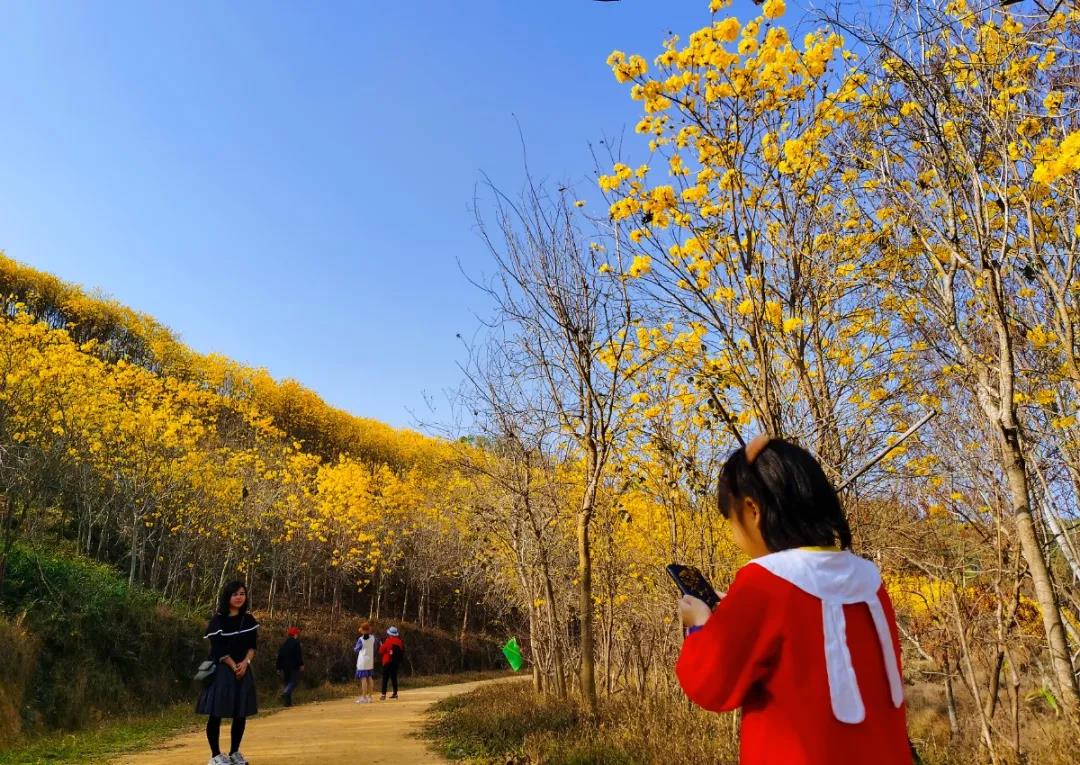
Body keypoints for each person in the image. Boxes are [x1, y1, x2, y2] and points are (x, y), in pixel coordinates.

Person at [675, 435, 910, 765]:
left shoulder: (763, 582)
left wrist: (700, 626)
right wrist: (733, 612)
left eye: (731, 520)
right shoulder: (868, 580)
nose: (733, 534)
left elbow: (712, 687)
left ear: (752, 510)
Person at [197, 581, 259, 765]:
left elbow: (252, 646)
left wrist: (245, 663)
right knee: (216, 713)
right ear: (227, 597)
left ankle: (234, 752)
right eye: (235, 594)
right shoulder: (218, 620)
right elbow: (218, 649)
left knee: (240, 713)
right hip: (222, 672)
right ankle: (216, 755)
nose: (239, 597)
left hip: (243, 669)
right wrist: (234, 666)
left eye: (242, 593)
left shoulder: (249, 620)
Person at [275, 626, 304, 707]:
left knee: (287, 682)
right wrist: (301, 664)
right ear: (295, 634)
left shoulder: (284, 644)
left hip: (284, 667)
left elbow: (279, 656)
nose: (297, 635)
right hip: (293, 666)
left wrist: (278, 667)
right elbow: (298, 655)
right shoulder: (296, 643)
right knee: (293, 681)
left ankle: (287, 703)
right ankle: (285, 693)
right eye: (297, 633)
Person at [353, 621, 377, 703]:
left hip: (362, 661)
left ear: (362, 630)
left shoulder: (360, 639)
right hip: (370, 660)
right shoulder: (373, 638)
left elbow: (356, 649)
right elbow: (375, 646)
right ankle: (370, 697)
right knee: (370, 678)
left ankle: (364, 697)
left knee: (363, 679)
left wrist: (355, 648)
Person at [378, 625, 404, 700]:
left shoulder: (388, 641)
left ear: (389, 634)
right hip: (396, 662)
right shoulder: (399, 641)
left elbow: (381, 651)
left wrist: (382, 645)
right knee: (394, 678)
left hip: (387, 661)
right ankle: (395, 693)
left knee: (385, 678)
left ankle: (383, 694)